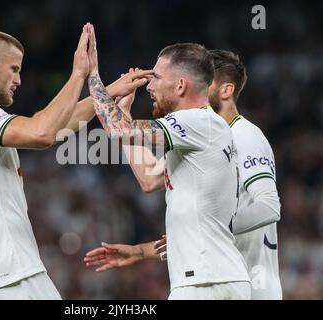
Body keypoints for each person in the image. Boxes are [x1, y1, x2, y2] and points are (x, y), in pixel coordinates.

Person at [0, 23, 151, 300]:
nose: (19, 80)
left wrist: (105, 93)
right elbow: (43, 132)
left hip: (11, 275)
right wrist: (78, 74)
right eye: (14, 69)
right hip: (8, 279)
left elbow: (54, 123)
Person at [85, 50, 282, 300]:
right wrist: (142, 252)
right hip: (211, 277)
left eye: (206, 80)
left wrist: (91, 77)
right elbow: (149, 178)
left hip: (243, 282)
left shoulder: (240, 134)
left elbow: (269, 206)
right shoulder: (196, 136)